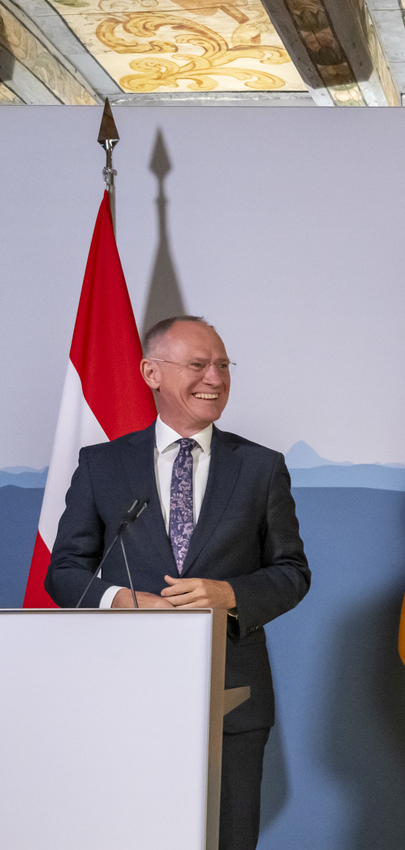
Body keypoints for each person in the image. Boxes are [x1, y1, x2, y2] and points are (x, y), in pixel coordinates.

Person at [46, 315, 311, 850]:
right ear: (151, 373)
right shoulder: (103, 466)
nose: (215, 377)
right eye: (197, 364)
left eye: (222, 365)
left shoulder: (261, 468)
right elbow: (64, 572)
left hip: (231, 699)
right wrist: (120, 599)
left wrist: (231, 594)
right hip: (128, 696)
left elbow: (292, 573)